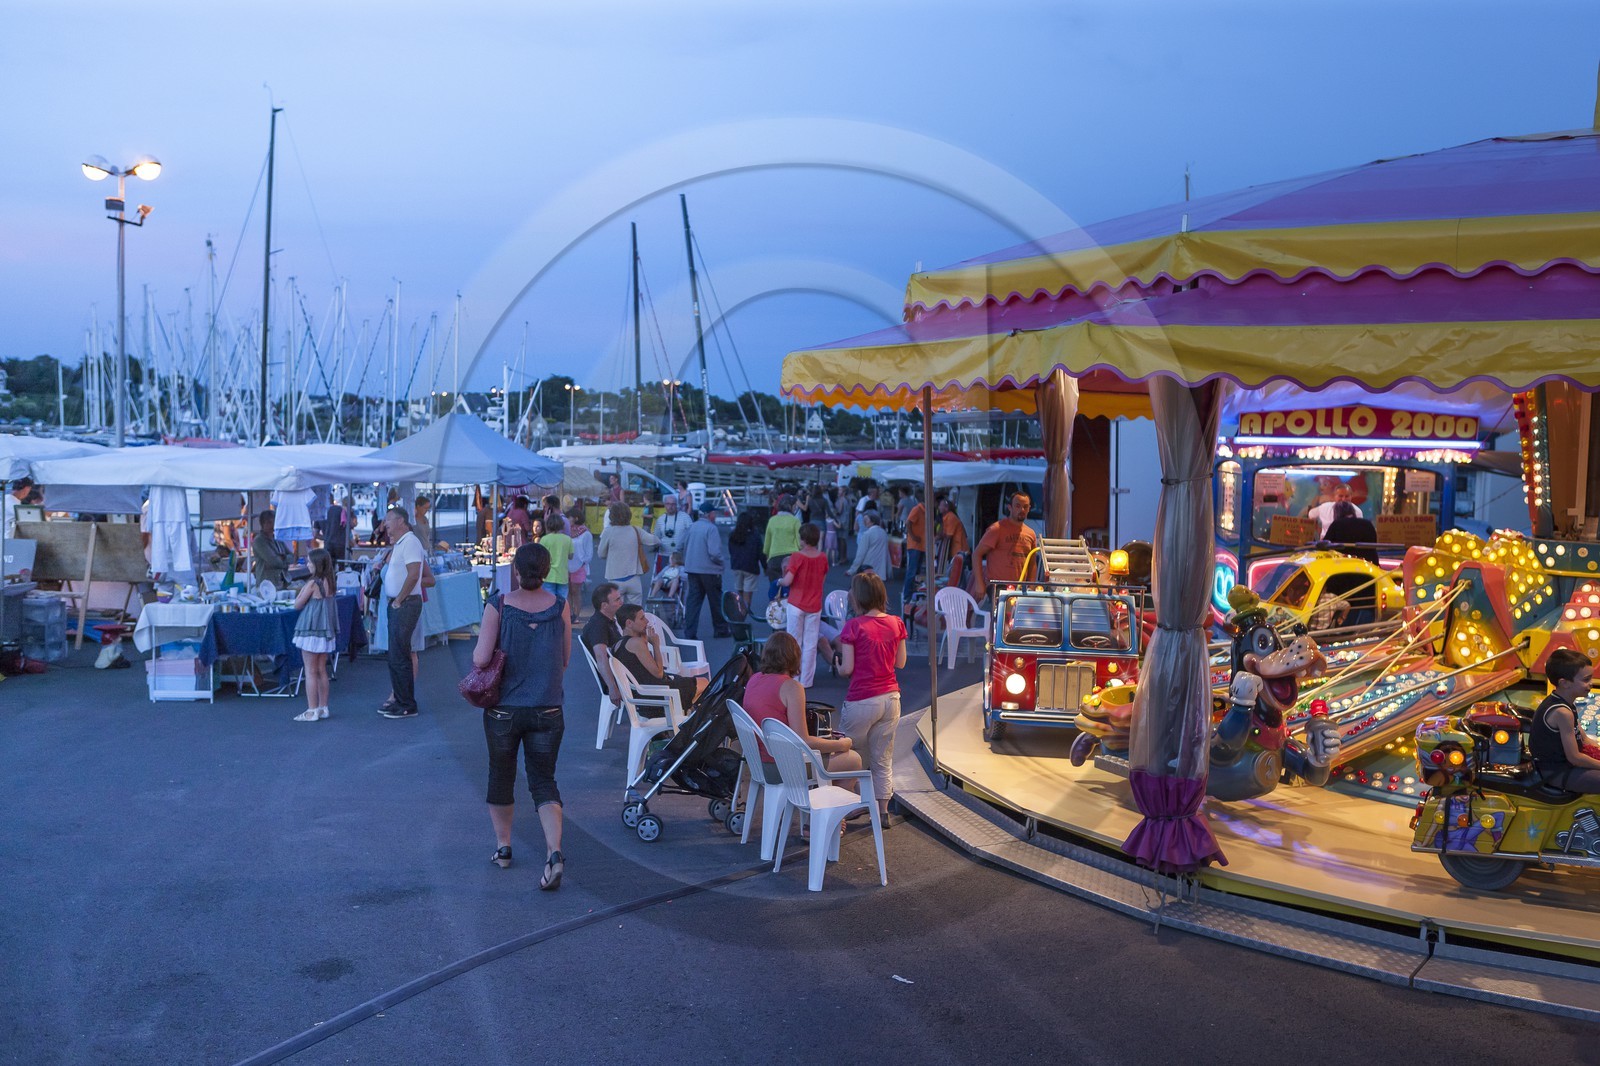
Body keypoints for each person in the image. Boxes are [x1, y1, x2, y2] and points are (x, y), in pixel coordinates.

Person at [473, 541, 569, 889]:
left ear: (515, 570)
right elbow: (565, 658)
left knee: (501, 776)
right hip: (548, 707)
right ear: (546, 570)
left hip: (504, 710)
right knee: (544, 781)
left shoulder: (499, 604)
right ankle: (554, 852)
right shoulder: (560, 607)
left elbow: (482, 659)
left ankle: (503, 847)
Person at [742, 630, 861, 786]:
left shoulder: (754, 679)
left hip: (759, 764)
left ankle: (827, 803)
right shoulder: (791, 687)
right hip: (785, 767)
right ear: (794, 657)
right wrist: (841, 744)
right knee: (853, 759)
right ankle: (835, 808)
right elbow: (804, 741)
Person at [836, 571, 908, 823]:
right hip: (890, 698)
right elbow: (900, 662)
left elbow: (847, 669)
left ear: (858, 597)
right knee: (882, 757)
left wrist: (837, 667)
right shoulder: (897, 623)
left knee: (847, 754)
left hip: (861, 699)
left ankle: (846, 806)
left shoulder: (853, 627)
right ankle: (882, 811)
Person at [378, 506, 426, 719]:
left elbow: (414, 574)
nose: (385, 525)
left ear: (400, 521)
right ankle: (400, 699)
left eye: (388, 521)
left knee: (400, 655)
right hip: (399, 603)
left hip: (405, 604)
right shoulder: (400, 544)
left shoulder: (411, 542)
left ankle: (407, 703)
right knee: (396, 655)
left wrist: (399, 599)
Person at [612, 603, 707, 711]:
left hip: (644, 695)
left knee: (698, 690)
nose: (647, 621)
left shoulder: (618, 644)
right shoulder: (635, 643)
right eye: (642, 618)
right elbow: (658, 673)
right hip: (655, 697)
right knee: (705, 684)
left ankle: (690, 714)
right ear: (629, 623)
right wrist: (656, 644)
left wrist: (645, 641)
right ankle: (692, 718)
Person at [1532, 648, 1600, 793]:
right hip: (1556, 772)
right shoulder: (1562, 712)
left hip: (1566, 766)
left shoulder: (1568, 702)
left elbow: (1584, 738)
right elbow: (1575, 758)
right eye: (1586, 679)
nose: (1591, 683)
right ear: (1565, 683)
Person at [290, 548, 339, 723]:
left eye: (310, 562)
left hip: (311, 629)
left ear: (317, 564)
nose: (308, 565)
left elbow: (297, 604)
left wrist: (302, 591)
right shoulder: (331, 582)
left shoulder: (313, 583)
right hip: (325, 631)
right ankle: (323, 707)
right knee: (321, 670)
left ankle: (312, 710)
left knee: (310, 671)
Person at [778, 523, 829, 686]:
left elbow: (788, 581)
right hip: (814, 604)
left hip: (796, 603)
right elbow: (823, 579)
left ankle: (793, 678)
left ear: (804, 539)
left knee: (794, 641)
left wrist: (780, 581)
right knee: (810, 644)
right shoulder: (822, 557)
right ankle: (806, 681)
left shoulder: (797, 556)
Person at [974, 492, 1039, 600]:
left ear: (1029, 509)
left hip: (1020, 588)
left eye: (1025, 507)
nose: (1022, 510)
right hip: (998, 586)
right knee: (1003, 616)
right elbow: (976, 554)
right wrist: (979, 583)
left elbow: (1032, 563)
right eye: (1018, 506)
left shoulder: (1031, 533)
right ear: (1010, 507)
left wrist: (1031, 586)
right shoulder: (996, 529)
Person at [681, 500, 730, 640]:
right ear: (709, 514)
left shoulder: (692, 527)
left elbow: (680, 544)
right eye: (714, 512)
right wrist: (721, 562)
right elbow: (714, 552)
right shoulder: (711, 528)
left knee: (693, 601)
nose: (715, 515)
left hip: (692, 569)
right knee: (716, 601)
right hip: (710, 571)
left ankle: (689, 632)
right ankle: (720, 629)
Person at [595, 501, 657, 605]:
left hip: (615, 578)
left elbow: (601, 554)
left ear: (611, 516)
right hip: (634, 578)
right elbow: (654, 540)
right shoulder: (636, 530)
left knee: (616, 614)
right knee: (635, 613)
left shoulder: (608, 532)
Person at [582, 582, 625, 712]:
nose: (621, 602)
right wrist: (612, 687)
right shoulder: (598, 626)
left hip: (625, 674)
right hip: (621, 680)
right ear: (604, 606)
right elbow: (601, 658)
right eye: (617, 600)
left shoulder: (608, 620)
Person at [762, 494, 801, 584]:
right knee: (790, 589)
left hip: (774, 558)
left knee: (775, 589)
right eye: (795, 505)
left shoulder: (772, 520)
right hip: (791, 558)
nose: (795, 508)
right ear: (790, 507)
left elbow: (766, 545)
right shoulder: (795, 521)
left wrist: (768, 559)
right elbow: (800, 543)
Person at [727, 510, 763, 609]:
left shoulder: (733, 535)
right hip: (750, 567)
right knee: (748, 594)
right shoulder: (755, 535)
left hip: (737, 566)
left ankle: (739, 612)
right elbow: (760, 552)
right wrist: (765, 566)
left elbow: (731, 550)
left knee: (740, 592)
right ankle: (744, 613)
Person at [251, 509, 293, 589]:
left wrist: (283, 558)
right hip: (266, 585)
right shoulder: (259, 541)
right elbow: (274, 562)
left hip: (282, 582)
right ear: (262, 524)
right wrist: (283, 561)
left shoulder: (277, 539)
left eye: (274, 522)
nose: (272, 525)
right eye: (269, 522)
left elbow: (292, 557)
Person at [566, 505, 594, 623]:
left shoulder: (585, 533)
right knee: (567, 591)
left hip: (579, 566)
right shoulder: (567, 531)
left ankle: (576, 615)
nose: (568, 520)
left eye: (570, 518)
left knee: (576, 591)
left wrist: (582, 562)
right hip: (566, 565)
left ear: (576, 518)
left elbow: (589, 553)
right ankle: (569, 613)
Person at [539, 513, 573, 602]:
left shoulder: (544, 539)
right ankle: (561, 615)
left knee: (549, 601)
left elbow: (541, 557)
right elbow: (571, 556)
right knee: (562, 601)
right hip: (562, 575)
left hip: (548, 575)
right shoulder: (567, 539)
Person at [901, 490, 926, 608]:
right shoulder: (917, 509)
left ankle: (911, 595)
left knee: (915, 572)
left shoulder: (925, 511)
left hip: (921, 545)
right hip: (915, 545)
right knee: (912, 571)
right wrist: (913, 536)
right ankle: (907, 595)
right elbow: (908, 523)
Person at [652, 494, 693, 562]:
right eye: (668, 504)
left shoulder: (685, 517)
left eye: (673, 504)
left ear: (676, 505)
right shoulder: (660, 519)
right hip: (664, 556)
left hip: (680, 556)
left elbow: (692, 535)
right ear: (665, 505)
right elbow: (656, 537)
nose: (670, 506)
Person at [935, 496, 969, 573]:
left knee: (957, 574)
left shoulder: (951, 517)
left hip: (959, 550)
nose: (938, 507)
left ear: (946, 508)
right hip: (955, 550)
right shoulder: (946, 517)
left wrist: (936, 538)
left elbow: (948, 535)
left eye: (940, 505)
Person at [850, 510, 889, 576]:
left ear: (872, 521)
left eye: (866, 519)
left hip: (868, 568)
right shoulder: (883, 533)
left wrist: (852, 569)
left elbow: (860, 554)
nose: (864, 521)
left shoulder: (867, 534)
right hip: (881, 570)